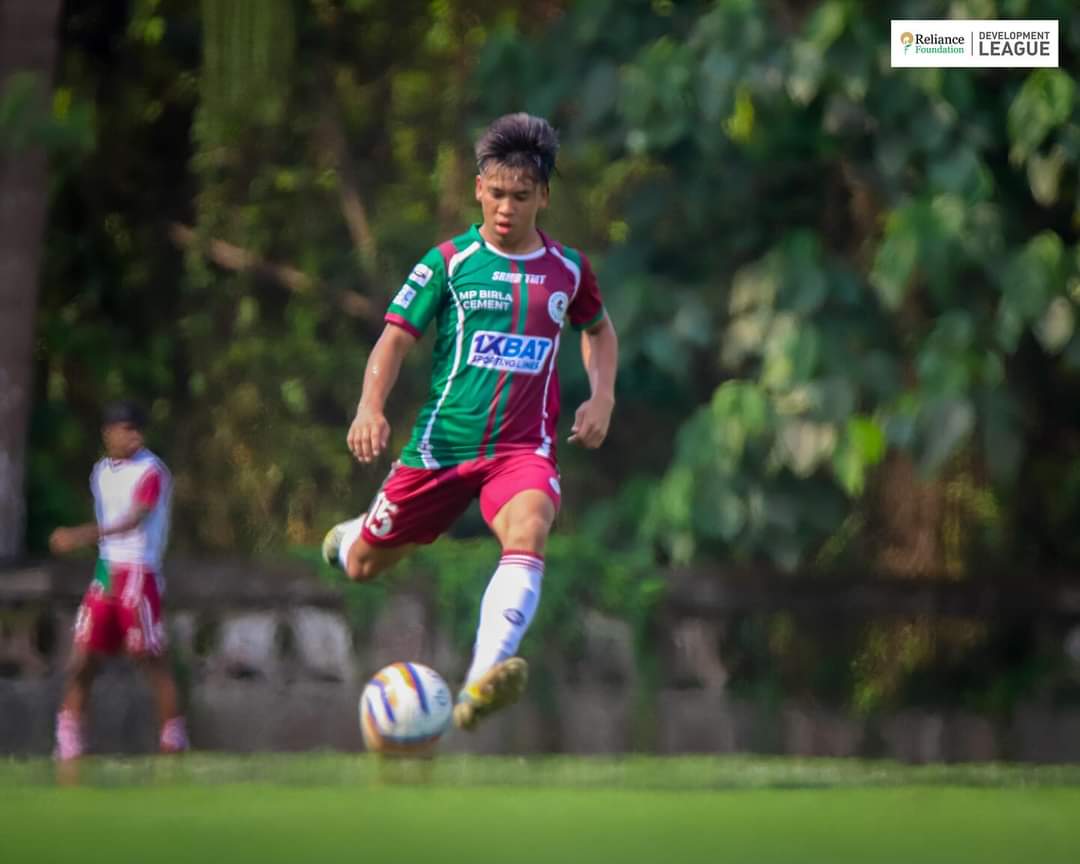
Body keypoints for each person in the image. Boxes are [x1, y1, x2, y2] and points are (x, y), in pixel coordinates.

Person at [322, 112, 618, 731]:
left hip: (521, 451)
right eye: (496, 194)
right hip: (441, 449)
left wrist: (602, 395)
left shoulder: (568, 270)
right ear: (478, 189)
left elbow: (598, 330)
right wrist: (369, 407)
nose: (506, 208)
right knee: (364, 566)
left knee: (531, 525)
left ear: (543, 196)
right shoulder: (449, 261)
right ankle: (352, 536)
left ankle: (481, 677)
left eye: (520, 196)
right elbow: (395, 339)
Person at [49, 399, 188, 760]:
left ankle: (173, 738)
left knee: (150, 657)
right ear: (109, 433)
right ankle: (69, 738)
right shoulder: (101, 472)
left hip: (139, 571)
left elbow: (135, 518)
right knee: (82, 657)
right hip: (107, 571)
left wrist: (79, 536)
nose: (134, 436)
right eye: (127, 429)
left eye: (138, 429)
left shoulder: (152, 471)